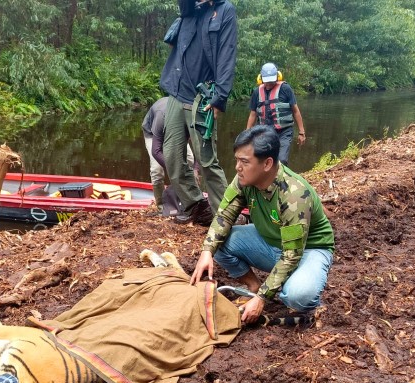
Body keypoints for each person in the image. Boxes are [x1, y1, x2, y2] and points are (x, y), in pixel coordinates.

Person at [190, 126, 334, 324]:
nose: (237, 167)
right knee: (218, 242)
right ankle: (254, 286)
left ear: (267, 164)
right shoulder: (243, 180)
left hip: (307, 250)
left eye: (244, 162)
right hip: (271, 242)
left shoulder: (294, 194)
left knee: (299, 295)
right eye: (237, 160)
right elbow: (224, 216)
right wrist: (206, 251)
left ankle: (307, 305)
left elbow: (292, 255)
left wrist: (262, 300)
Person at [159, 0, 237, 225]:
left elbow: (226, 53)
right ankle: (198, 207)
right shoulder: (190, 8)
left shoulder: (224, 11)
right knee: (172, 157)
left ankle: (227, 217)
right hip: (177, 92)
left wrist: (220, 96)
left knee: (206, 160)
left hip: (202, 96)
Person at [142, 96, 200, 214]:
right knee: (157, 170)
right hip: (153, 135)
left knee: (189, 160)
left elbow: (199, 147)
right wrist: (174, 170)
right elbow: (156, 151)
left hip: (176, 133)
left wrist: (195, 169)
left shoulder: (191, 117)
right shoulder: (161, 116)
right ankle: (161, 206)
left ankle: (190, 199)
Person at [245, 62, 306, 168]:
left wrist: (301, 132)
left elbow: (295, 111)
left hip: (284, 132)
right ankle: (267, 182)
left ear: (278, 77)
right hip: (264, 132)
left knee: (281, 160)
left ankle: (281, 181)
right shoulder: (257, 92)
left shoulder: (285, 89)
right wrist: (247, 133)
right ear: (261, 79)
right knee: (264, 160)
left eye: (272, 81)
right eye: (266, 81)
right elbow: (253, 114)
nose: (269, 84)